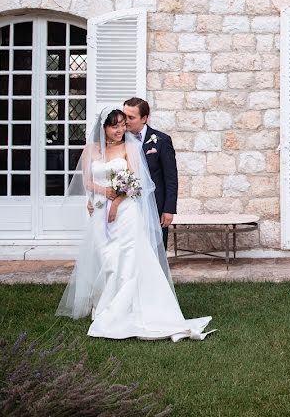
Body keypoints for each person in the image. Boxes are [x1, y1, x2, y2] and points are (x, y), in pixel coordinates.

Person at [56, 107, 212, 341]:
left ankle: (125, 310)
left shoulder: (130, 147)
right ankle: (105, 306)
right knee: (108, 259)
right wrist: (103, 191)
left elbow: (136, 183)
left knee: (127, 260)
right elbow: (87, 181)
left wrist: (117, 202)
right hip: (100, 211)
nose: (120, 130)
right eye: (114, 126)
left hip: (126, 212)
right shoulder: (91, 149)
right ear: (104, 128)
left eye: (122, 125)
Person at [122, 97, 177, 252]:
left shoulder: (162, 140)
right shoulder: (118, 140)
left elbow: (171, 178)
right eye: (124, 115)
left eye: (131, 117)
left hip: (156, 206)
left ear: (144, 118)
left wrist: (168, 209)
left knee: (156, 249)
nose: (126, 121)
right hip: (127, 206)